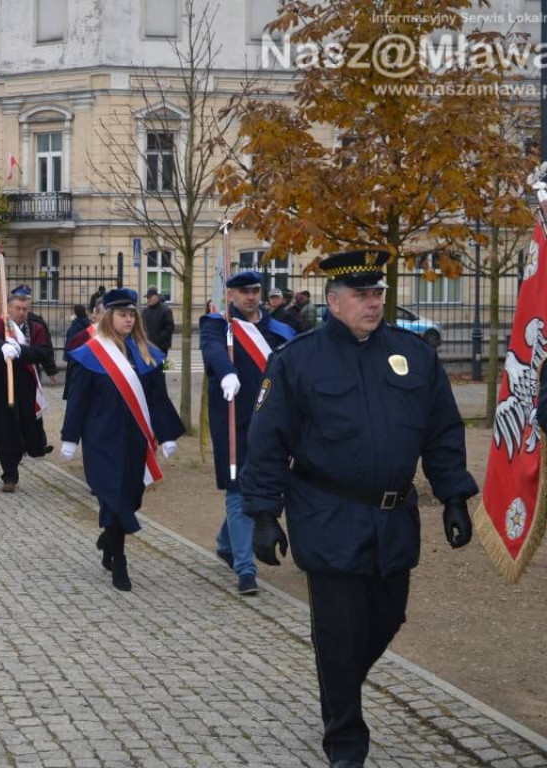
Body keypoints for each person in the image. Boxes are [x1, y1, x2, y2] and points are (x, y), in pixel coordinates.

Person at [240, 250, 477, 768]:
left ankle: (340, 683)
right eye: (362, 295)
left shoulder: (414, 355)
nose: (374, 303)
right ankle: (345, 742)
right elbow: (267, 441)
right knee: (338, 632)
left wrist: (454, 496)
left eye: (378, 293)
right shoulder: (298, 359)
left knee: (388, 615)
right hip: (327, 513)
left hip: (393, 516)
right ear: (334, 302)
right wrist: (263, 514)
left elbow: (442, 430)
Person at [61, 288, 184, 591]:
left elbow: (158, 398)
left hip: (135, 438)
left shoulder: (147, 353)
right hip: (101, 438)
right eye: (122, 314)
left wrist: (167, 434)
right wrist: (70, 437)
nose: (128, 319)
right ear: (108, 316)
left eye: (132, 314)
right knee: (113, 494)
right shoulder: (90, 353)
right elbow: (78, 399)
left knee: (130, 496)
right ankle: (120, 562)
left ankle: (109, 539)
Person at [200, 271, 296, 596]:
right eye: (243, 291)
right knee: (238, 490)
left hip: (271, 423)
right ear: (231, 295)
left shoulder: (281, 330)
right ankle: (245, 569)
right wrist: (227, 373)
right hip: (233, 421)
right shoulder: (218, 325)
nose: (250, 296)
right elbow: (213, 350)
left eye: (254, 290)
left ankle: (226, 543)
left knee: (257, 486)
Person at [0, 291, 55, 492]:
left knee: (26, 424)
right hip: (2, 384)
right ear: (9, 308)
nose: (21, 313)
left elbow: (44, 352)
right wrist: (3, 347)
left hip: (27, 385)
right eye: (17, 308)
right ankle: (9, 475)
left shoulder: (35, 328)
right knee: (6, 428)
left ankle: (30, 448)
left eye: (25, 309)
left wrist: (21, 351)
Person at [11, 285, 59, 384]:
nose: (21, 312)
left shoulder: (36, 322)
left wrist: (51, 370)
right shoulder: (3, 323)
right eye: (18, 307)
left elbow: (46, 347)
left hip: (31, 368)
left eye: (26, 299)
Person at [141, 286, 175, 357]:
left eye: (150, 297)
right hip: (148, 345)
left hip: (161, 346)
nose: (148, 299)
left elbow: (170, 327)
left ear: (156, 297)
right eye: (147, 298)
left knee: (161, 363)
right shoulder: (145, 312)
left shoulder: (165, 310)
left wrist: (159, 338)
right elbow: (142, 327)